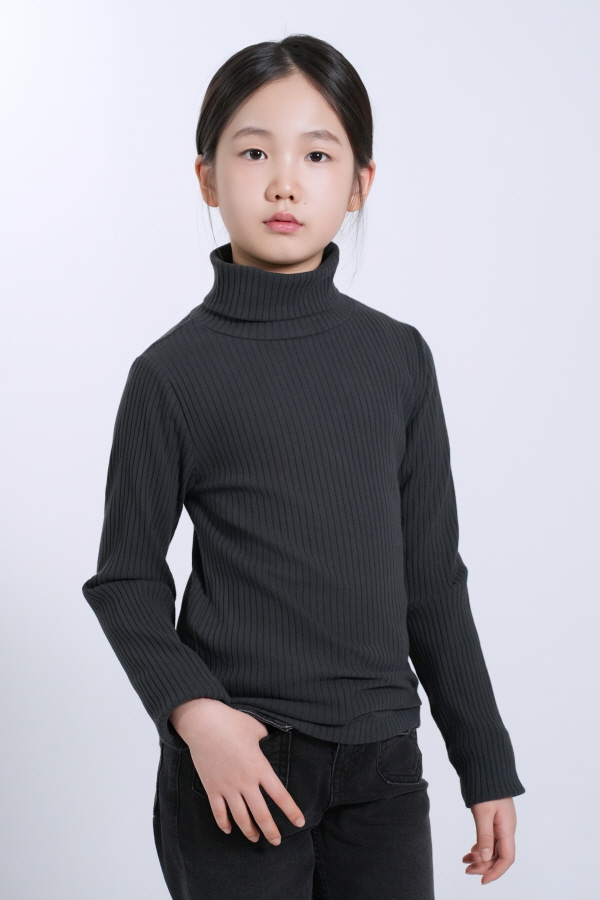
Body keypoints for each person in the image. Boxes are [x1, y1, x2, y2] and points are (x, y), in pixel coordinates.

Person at [82, 34, 525, 900]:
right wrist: (198, 717)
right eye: (254, 153)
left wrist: (485, 761)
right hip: (241, 763)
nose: (284, 182)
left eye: (318, 155)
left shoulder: (397, 358)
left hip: (384, 768)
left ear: (360, 183)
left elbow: (432, 577)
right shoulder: (171, 374)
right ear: (207, 177)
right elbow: (125, 578)